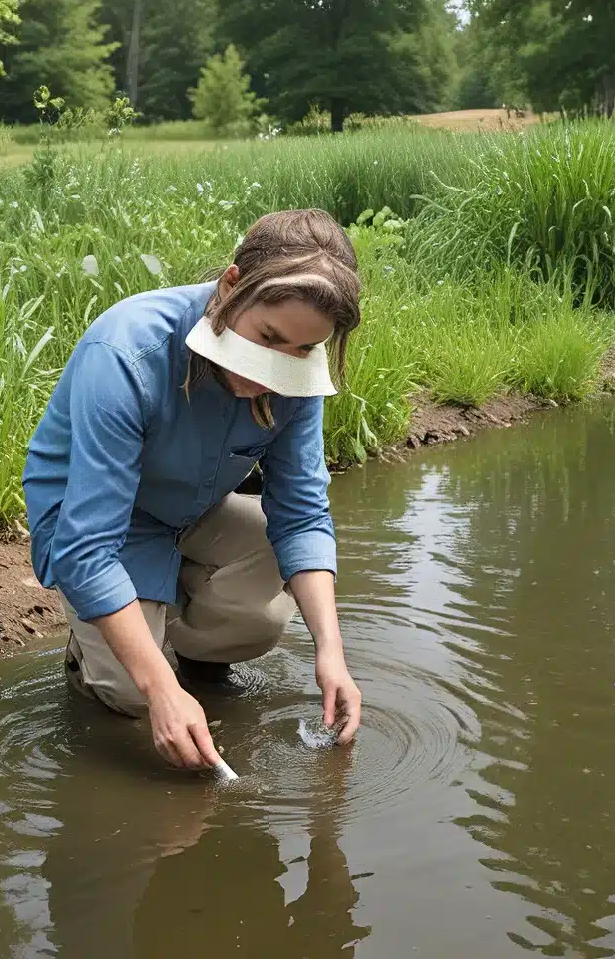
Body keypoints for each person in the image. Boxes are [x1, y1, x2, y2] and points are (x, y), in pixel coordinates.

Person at [23, 208, 363, 771]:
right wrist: (160, 690)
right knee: (133, 696)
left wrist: (332, 654)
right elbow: (86, 549)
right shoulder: (127, 353)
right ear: (232, 286)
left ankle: (180, 644)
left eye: (300, 352)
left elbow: (301, 515)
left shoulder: (297, 376)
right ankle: (100, 655)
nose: (272, 372)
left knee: (261, 614)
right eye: (268, 339)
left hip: (191, 507)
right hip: (96, 521)